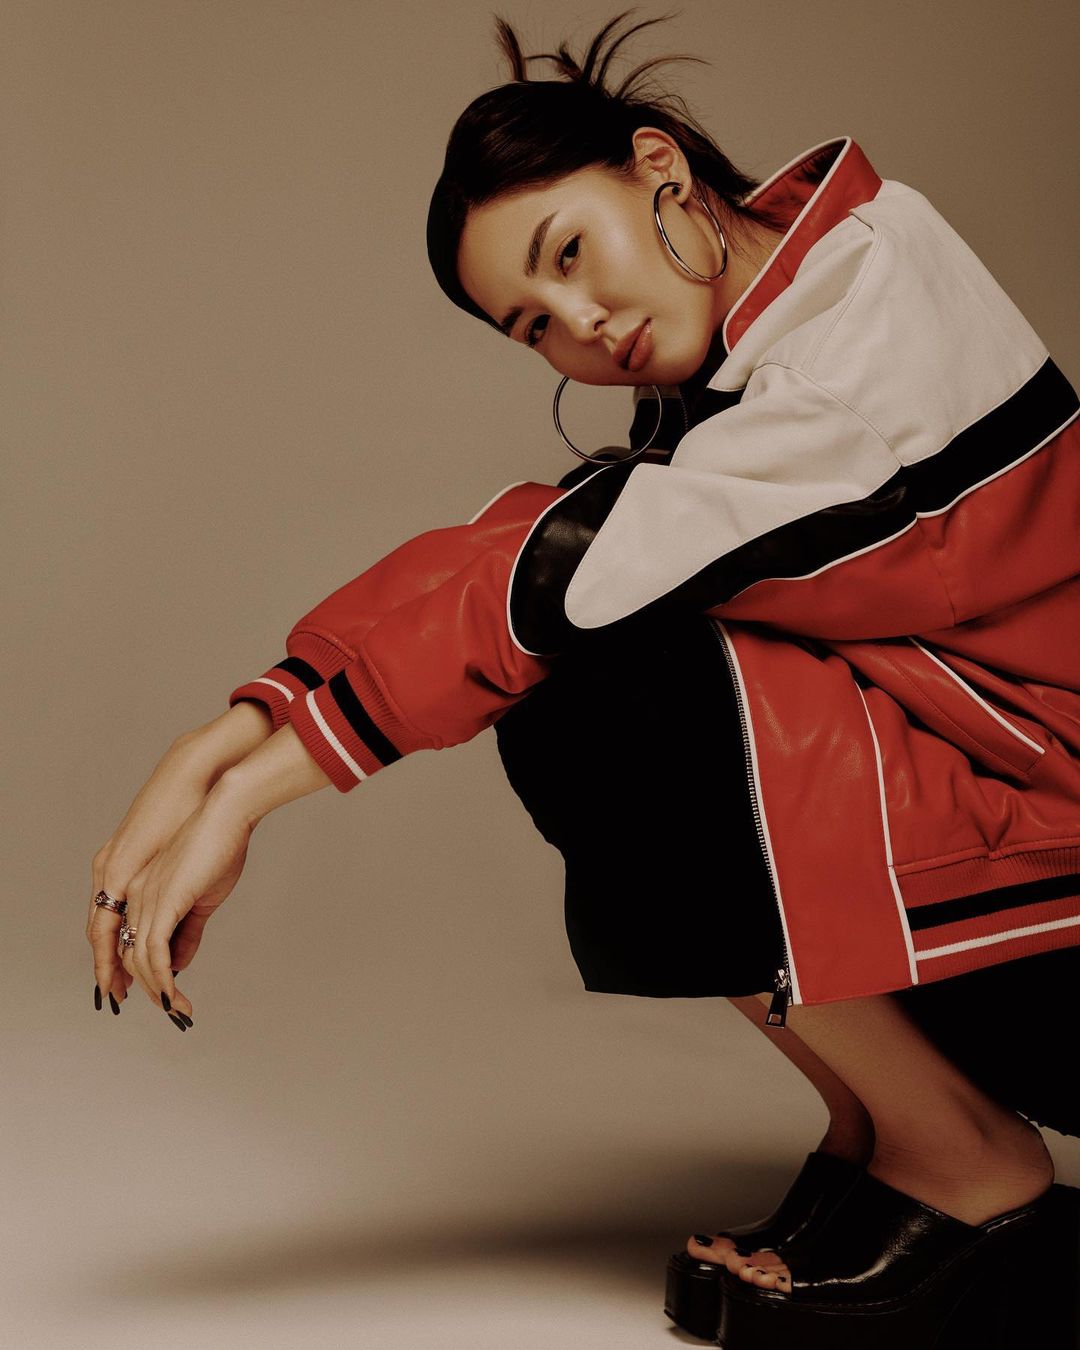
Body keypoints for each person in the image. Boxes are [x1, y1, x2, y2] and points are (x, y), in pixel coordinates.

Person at [85, 12, 1080, 1345]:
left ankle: (974, 1165)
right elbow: (530, 539)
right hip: (994, 777)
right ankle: (885, 1127)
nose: (583, 326)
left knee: (611, 693)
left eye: (569, 255)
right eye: (532, 324)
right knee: (584, 652)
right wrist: (240, 723)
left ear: (659, 167)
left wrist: (248, 793)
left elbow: (565, 582)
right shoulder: (795, 303)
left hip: (1054, 846)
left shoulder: (859, 328)